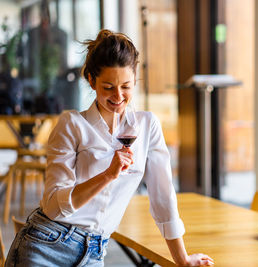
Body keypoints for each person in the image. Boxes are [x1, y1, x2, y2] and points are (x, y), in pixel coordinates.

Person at [5, 29, 214, 267]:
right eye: (108, 87)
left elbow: (163, 196)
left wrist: (183, 260)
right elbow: (53, 207)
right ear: (92, 81)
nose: (118, 96)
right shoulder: (72, 125)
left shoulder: (147, 126)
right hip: (47, 245)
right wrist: (107, 175)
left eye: (126, 86)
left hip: (95, 251)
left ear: (135, 79)